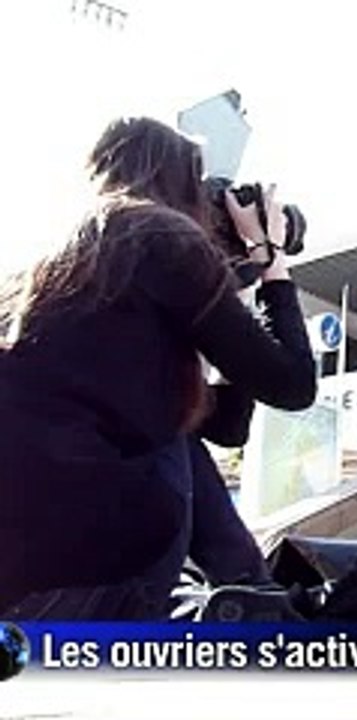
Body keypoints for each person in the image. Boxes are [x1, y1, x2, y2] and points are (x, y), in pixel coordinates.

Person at [0, 116, 316, 619]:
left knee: (177, 440)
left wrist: (230, 293)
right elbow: (294, 385)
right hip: (93, 560)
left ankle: (255, 595)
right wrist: (270, 257)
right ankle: (261, 605)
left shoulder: (50, 265)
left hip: (21, 558)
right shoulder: (157, 234)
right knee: (170, 446)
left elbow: (225, 427)